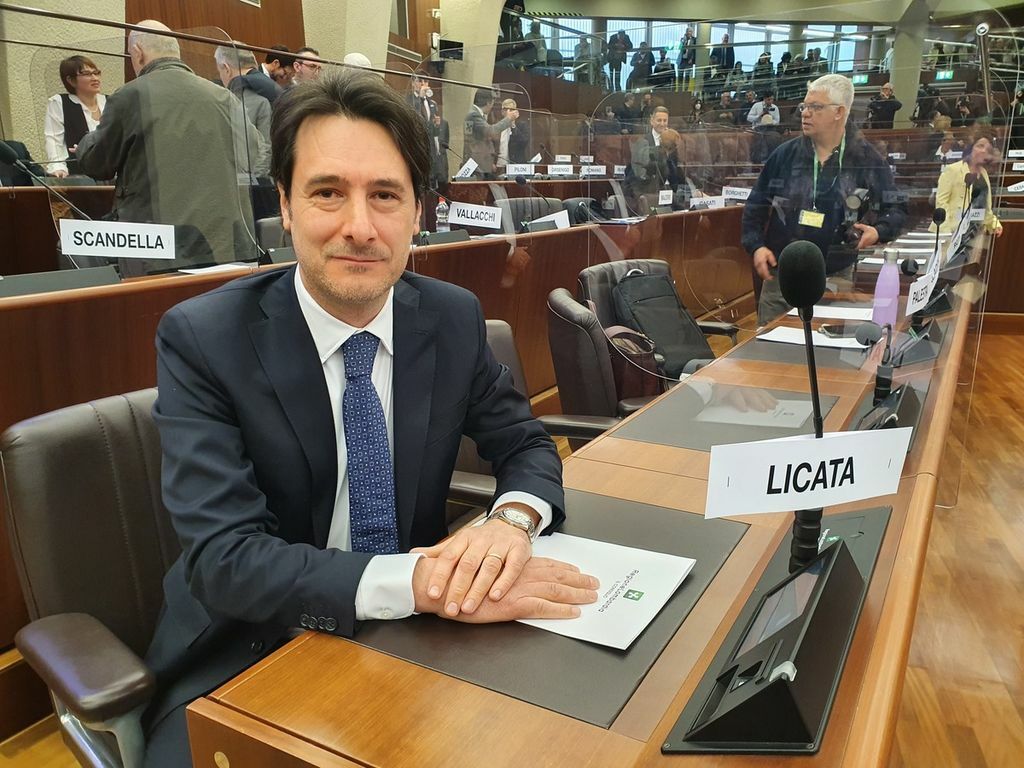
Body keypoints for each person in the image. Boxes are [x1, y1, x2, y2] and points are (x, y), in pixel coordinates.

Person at [140, 69, 598, 767]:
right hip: (248, 648)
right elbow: (226, 560)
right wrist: (422, 583)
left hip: (416, 640)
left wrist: (509, 523)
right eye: (327, 192)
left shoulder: (450, 317)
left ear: (418, 212)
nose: (359, 227)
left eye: (385, 195)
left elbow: (525, 443)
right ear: (285, 206)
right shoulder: (204, 339)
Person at [76, 20, 265, 275]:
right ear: (175, 51)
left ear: (138, 53)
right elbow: (254, 152)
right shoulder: (222, 96)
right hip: (225, 246)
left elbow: (97, 163)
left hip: (157, 251)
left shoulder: (131, 96)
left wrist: (88, 140)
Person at [741, 74, 906, 325]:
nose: (805, 113)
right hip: (780, 277)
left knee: (825, 346)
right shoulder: (784, 155)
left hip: (835, 277)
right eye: (804, 106)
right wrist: (756, 246)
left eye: (816, 107)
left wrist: (879, 231)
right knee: (768, 346)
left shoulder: (865, 159)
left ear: (839, 112)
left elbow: (896, 207)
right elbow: (756, 205)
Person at [932, 127, 1002, 238]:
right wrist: (947, 234)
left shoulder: (983, 173)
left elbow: (984, 205)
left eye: (987, 149)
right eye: (980, 146)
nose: (983, 151)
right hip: (954, 231)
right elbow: (941, 204)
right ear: (971, 148)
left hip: (977, 232)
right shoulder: (953, 170)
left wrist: (994, 223)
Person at [43, 55, 106, 178]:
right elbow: (54, 140)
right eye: (87, 74)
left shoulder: (110, 102)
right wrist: (58, 168)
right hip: (79, 177)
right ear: (71, 80)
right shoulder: (60, 102)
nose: (95, 78)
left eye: (96, 73)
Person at [464, 89, 517, 178]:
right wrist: (508, 119)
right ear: (489, 103)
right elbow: (490, 131)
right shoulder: (474, 115)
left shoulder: (474, 114)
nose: (492, 106)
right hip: (477, 164)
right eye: (492, 103)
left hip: (480, 163)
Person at [496, 97, 529, 168]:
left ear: (516, 112)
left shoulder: (522, 125)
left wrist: (513, 126)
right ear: (502, 112)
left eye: (511, 110)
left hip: (516, 165)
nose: (508, 112)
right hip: (499, 165)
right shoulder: (498, 126)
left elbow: (524, 142)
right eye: (505, 109)